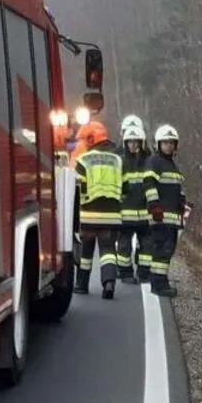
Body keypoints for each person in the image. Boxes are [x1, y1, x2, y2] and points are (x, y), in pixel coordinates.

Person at [73, 121, 124, 299]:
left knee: (86, 252)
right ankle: (109, 283)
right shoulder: (117, 160)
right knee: (108, 251)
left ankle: (81, 284)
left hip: (88, 215)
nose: (83, 144)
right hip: (112, 215)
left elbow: (78, 189)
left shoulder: (83, 160)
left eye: (85, 141)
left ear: (91, 139)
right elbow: (124, 186)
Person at [143, 124, 186, 297]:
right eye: (165, 143)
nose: (169, 146)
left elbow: (177, 190)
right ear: (158, 144)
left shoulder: (171, 165)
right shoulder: (155, 162)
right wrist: (154, 206)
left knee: (167, 251)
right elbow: (149, 185)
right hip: (161, 217)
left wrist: (182, 204)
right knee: (162, 250)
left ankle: (160, 281)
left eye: (171, 143)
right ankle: (159, 285)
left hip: (172, 218)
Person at [116, 124, 153, 284]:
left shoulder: (149, 161)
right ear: (125, 143)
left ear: (142, 142)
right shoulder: (120, 161)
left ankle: (144, 273)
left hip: (145, 212)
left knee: (147, 245)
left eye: (136, 141)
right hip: (126, 213)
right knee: (124, 246)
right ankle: (125, 273)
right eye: (130, 142)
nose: (133, 144)